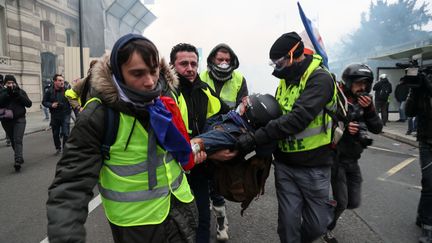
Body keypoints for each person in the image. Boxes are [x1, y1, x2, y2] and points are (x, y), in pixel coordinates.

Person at [46, 34, 206, 243]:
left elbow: (177, 149)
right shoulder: (98, 115)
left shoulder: (166, 99)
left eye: (153, 71)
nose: (149, 82)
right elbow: (70, 187)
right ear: (118, 73)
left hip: (181, 210)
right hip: (137, 226)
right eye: (137, 73)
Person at [236, 32, 338, 243]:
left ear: (295, 54)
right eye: (273, 63)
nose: (277, 68)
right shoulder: (285, 80)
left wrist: (257, 137)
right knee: (288, 224)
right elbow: (276, 112)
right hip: (285, 165)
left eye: (280, 62)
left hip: (314, 167)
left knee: (317, 225)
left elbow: (297, 119)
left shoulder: (320, 79)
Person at [170, 43, 231, 243]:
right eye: (183, 64)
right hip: (172, 171)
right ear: (172, 65)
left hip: (200, 166)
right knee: (176, 225)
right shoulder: (166, 92)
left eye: (193, 64)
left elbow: (225, 116)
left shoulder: (204, 90)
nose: (190, 68)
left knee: (203, 218)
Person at [323, 64, 383, 243]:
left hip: (353, 159)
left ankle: (322, 210)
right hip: (336, 158)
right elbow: (325, 125)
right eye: (358, 83)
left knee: (353, 202)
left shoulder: (364, 103)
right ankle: (326, 228)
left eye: (366, 84)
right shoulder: (337, 100)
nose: (362, 88)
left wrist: (371, 110)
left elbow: (377, 128)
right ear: (349, 82)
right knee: (341, 201)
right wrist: (344, 129)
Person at [199, 43, 249, 240]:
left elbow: (243, 109)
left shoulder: (239, 79)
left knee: (218, 183)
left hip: (226, 134)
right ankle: (203, 221)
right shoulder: (201, 77)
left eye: (227, 60)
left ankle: (221, 222)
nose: (223, 63)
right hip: (203, 133)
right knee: (202, 185)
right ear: (212, 60)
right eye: (220, 59)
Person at [405, 73, 432, 243]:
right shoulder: (422, 88)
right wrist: (415, 91)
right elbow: (409, 111)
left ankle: (422, 215)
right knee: (430, 182)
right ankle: (428, 226)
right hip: (427, 142)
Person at [0, 74, 32, 172]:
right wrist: (7, 93)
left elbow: (29, 104)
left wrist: (17, 94)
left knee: (18, 139)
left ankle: (17, 160)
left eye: (12, 82)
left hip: (20, 119)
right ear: (5, 84)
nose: (11, 84)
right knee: (13, 140)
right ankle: (19, 156)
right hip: (6, 120)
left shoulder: (20, 91)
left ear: (15, 83)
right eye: (8, 83)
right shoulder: (2, 92)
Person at [42, 74, 72, 155]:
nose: (62, 82)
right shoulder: (49, 91)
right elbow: (44, 102)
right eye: (59, 80)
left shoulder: (67, 91)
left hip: (65, 114)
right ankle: (58, 147)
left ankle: (65, 150)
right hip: (55, 115)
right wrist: (51, 105)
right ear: (55, 81)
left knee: (66, 133)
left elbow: (73, 101)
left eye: (62, 80)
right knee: (55, 134)